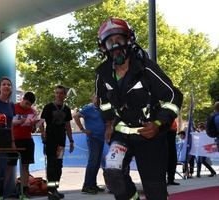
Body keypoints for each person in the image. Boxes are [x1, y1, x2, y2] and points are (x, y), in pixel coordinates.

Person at [95, 18, 183, 200]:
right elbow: (103, 100)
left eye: (119, 39)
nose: (115, 45)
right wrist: (109, 122)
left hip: (150, 135)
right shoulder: (102, 74)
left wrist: (158, 123)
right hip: (122, 133)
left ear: (130, 39)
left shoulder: (147, 68)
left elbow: (174, 97)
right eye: (109, 41)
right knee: (113, 174)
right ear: (103, 47)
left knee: (155, 192)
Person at [40, 85, 74, 200]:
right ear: (55, 94)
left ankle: (55, 189)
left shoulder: (67, 109)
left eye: (61, 93)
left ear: (65, 95)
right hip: (50, 140)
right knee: (51, 165)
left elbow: (68, 126)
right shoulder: (48, 107)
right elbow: (41, 122)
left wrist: (71, 140)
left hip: (61, 141)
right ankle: (50, 191)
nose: (59, 95)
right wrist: (42, 134)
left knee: (59, 165)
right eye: (57, 93)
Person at [73, 95, 106, 194]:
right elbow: (75, 116)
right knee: (93, 162)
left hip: (101, 139)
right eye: (96, 97)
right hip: (93, 139)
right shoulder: (89, 108)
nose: (98, 99)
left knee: (96, 162)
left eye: (99, 97)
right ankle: (87, 185)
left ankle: (93, 184)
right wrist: (82, 129)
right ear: (92, 98)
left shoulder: (102, 109)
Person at [8, 91, 37, 198]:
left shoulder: (32, 111)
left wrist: (34, 125)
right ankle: (9, 189)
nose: (27, 106)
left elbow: (33, 130)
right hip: (15, 139)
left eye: (29, 105)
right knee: (11, 166)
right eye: (26, 103)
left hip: (27, 140)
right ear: (23, 99)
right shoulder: (13, 107)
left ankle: (24, 189)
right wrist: (20, 121)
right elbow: (9, 122)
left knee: (25, 166)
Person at [166, 120, 180, 185]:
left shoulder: (172, 120)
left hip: (171, 145)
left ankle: (171, 180)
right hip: (165, 144)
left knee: (172, 162)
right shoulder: (162, 118)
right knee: (165, 163)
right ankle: (164, 181)